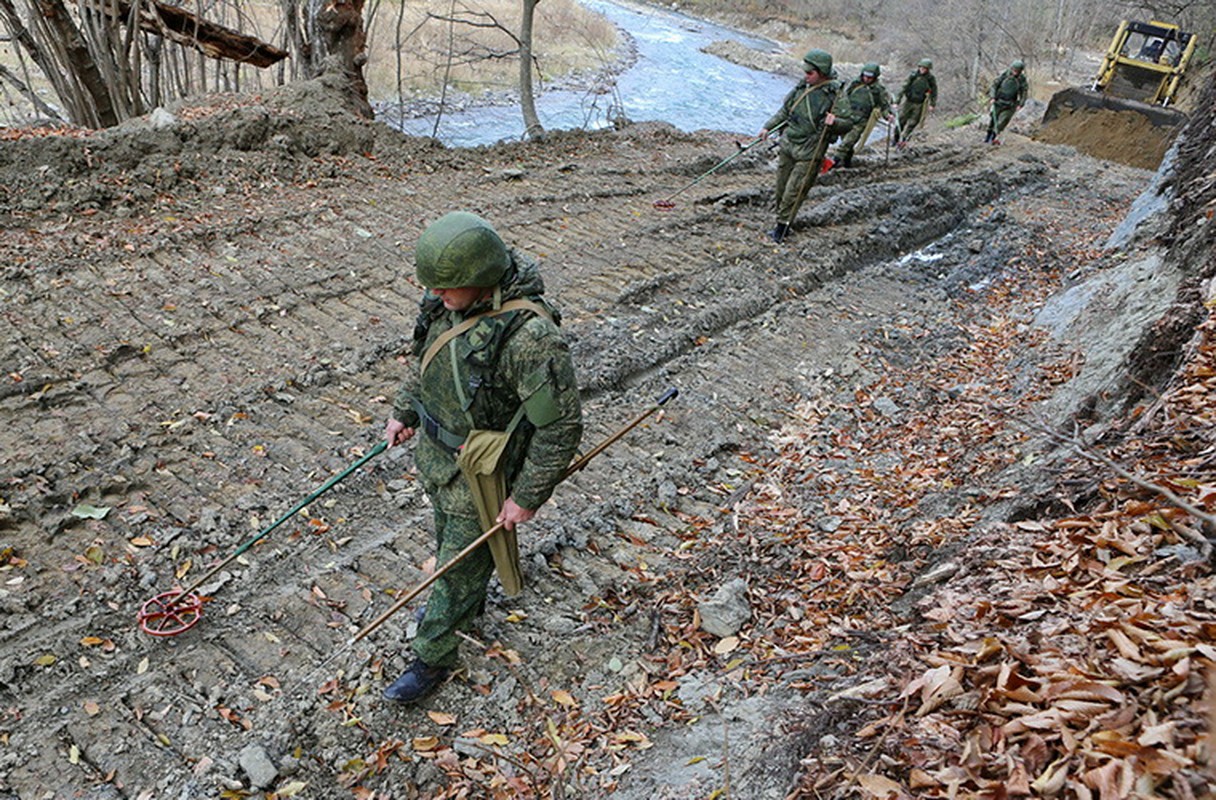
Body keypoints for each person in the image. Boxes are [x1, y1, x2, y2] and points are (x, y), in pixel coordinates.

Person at [382, 211, 584, 703]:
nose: (434, 296)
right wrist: (404, 410)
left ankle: (432, 657)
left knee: (457, 566)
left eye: (446, 288)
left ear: (480, 280)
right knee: (449, 544)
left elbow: (561, 425)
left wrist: (526, 495)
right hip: (437, 458)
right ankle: (461, 607)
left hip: (485, 471)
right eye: (431, 286)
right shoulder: (447, 298)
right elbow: (426, 360)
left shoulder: (530, 338)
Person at [758, 48, 853, 244]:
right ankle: (781, 219)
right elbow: (785, 112)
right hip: (788, 144)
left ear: (822, 72)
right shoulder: (801, 88)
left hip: (810, 150)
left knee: (794, 191)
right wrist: (767, 127)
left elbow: (848, 123)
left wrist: (834, 122)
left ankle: (782, 228)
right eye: (805, 72)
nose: (806, 75)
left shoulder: (834, 94)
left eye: (810, 73)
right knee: (781, 189)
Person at [834, 63, 893, 168]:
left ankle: (835, 162)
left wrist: (887, 116)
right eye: (865, 76)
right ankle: (847, 162)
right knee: (846, 142)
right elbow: (844, 97)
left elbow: (884, 105)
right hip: (848, 116)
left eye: (870, 77)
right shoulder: (855, 84)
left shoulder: (878, 90)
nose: (867, 79)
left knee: (847, 142)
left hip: (862, 120)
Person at [894, 58, 937, 147]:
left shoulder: (930, 78)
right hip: (909, 102)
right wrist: (897, 101)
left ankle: (904, 140)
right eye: (921, 68)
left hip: (920, 104)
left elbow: (934, 91)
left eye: (925, 68)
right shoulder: (913, 76)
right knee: (901, 120)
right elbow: (904, 87)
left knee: (913, 122)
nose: (923, 70)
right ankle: (895, 139)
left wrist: (932, 104)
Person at [985, 60, 1029, 145]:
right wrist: (992, 97)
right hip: (998, 101)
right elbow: (994, 85)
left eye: (1017, 71)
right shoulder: (1004, 75)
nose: (1015, 72)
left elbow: (1024, 92)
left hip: (1010, 104)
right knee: (993, 120)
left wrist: (1021, 103)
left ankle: (993, 137)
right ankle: (988, 136)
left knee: (1002, 121)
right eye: (1014, 70)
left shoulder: (1021, 79)